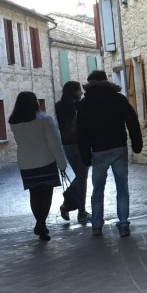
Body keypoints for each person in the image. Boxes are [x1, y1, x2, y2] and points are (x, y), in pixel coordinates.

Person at [77, 70, 143, 237]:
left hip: (98, 150)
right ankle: (123, 224)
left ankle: (97, 224)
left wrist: (84, 154)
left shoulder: (85, 104)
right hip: (118, 147)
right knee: (122, 187)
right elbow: (132, 121)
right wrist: (137, 144)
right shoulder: (118, 99)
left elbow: (81, 132)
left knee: (98, 189)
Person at [8, 91, 68, 241]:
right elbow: (55, 143)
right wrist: (62, 163)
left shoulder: (14, 121)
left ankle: (39, 223)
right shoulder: (44, 119)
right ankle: (41, 224)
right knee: (46, 196)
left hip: (26, 163)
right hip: (45, 161)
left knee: (34, 195)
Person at [55, 81, 89, 224]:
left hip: (67, 145)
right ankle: (79, 211)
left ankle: (73, 207)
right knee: (82, 178)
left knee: (80, 177)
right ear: (74, 91)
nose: (81, 92)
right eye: (79, 90)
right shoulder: (79, 105)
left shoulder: (58, 106)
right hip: (81, 144)